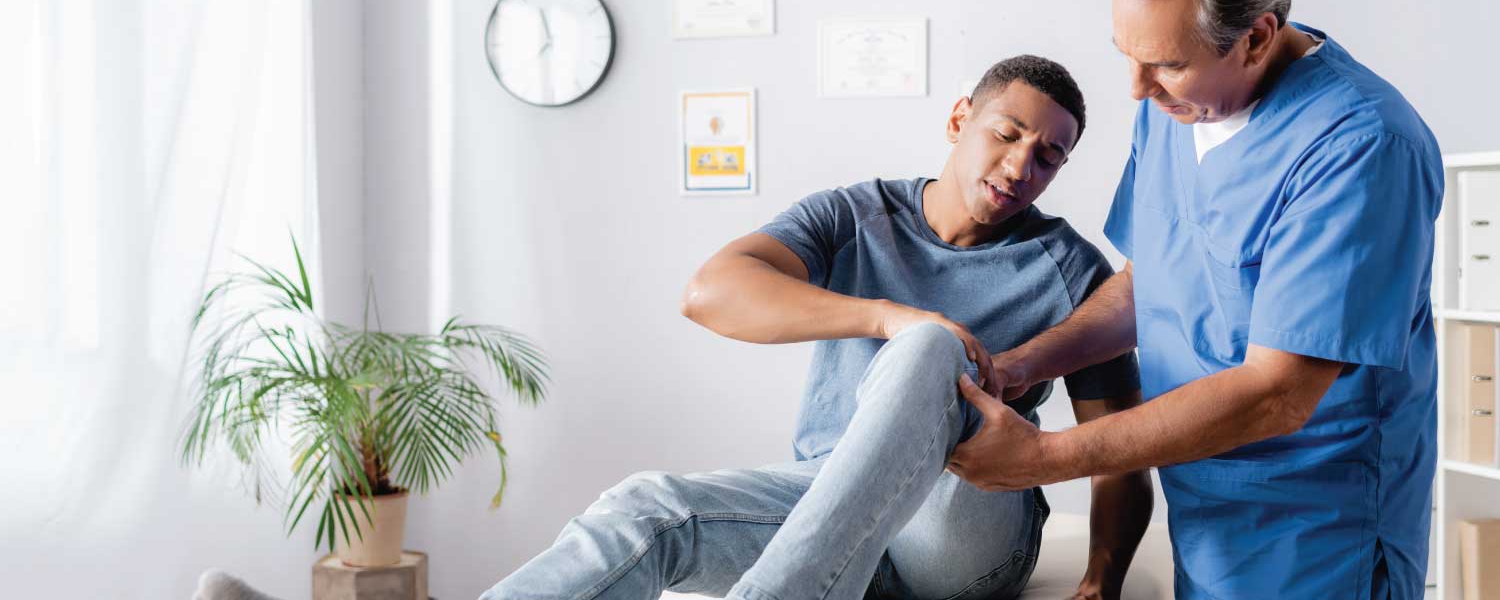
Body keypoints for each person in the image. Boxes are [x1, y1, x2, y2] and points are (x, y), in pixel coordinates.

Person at [481, 56, 1153, 600]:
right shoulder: (856, 214)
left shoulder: (1071, 270)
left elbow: (1117, 455)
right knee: (646, 509)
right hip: (820, 491)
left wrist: (1101, 585)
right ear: (959, 119)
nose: (1019, 167)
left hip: (961, 527)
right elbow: (710, 292)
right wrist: (885, 314)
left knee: (930, 346)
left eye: (1047, 157)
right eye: (1007, 134)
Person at [946, 0, 1442, 598]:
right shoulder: (1178, 107)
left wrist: (1044, 457)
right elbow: (1155, 280)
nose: (1137, 89)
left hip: (1317, 530)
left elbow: (1277, 395)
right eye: (1128, 55)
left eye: (1167, 64)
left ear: (1257, 37)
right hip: (1206, 508)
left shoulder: (1360, 147)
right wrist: (1027, 364)